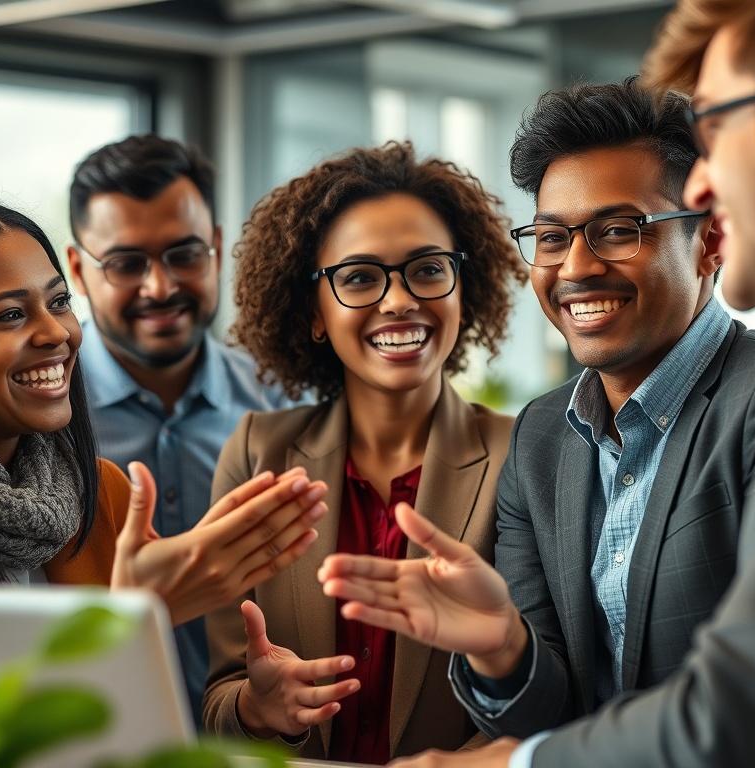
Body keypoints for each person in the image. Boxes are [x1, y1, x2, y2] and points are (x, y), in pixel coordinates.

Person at [324, 0, 755, 765]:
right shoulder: (542, 435)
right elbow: (563, 710)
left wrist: (509, 766)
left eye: (619, 231)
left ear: (708, 245)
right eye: (551, 237)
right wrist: (505, 648)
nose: (576, 266)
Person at [201, 141, 528, 764]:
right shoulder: (256, 455)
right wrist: (257, 708)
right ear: (314, 312)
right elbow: (220, 698)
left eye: (428, 269)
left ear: (464, 287)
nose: (399, 299)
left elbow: (548, 694)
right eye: (358, 277)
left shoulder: (523, 453)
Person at [0, 198, 326, 635]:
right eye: (11, 314)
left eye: (59, 302)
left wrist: (252, 691)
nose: (57, 332)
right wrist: (126, 623)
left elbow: (135, 693)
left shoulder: (104, 492)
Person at [65, 134, 296, 715]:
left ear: (215, 247)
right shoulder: (39, 415)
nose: (160, 287)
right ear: (78, 270)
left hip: (256, 736)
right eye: (126, 264)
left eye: (184, 255)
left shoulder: (283, 404)